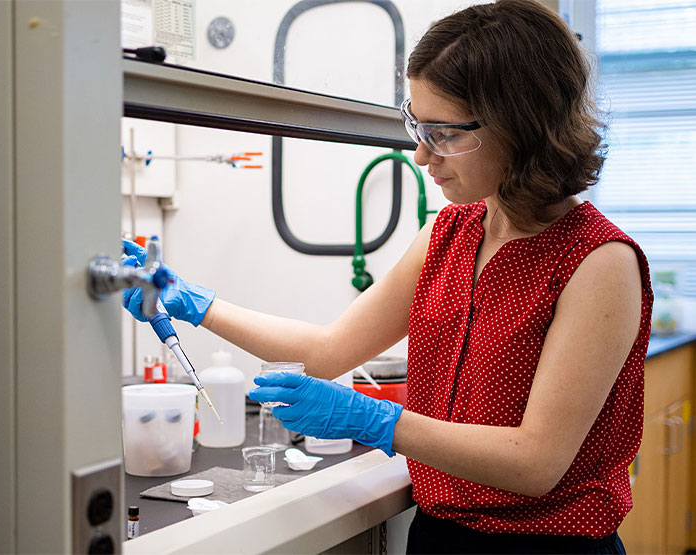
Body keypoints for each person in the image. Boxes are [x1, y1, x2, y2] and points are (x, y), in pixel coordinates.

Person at [123, 1, 653, 552]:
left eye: (445, 133)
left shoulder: (598, 262)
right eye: (417, 126)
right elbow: (328, 351)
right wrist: (195, 303)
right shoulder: (450, 233)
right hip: (439, 536)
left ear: (523, 124)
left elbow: (536, 462)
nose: (422, 155)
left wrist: (374, 418)